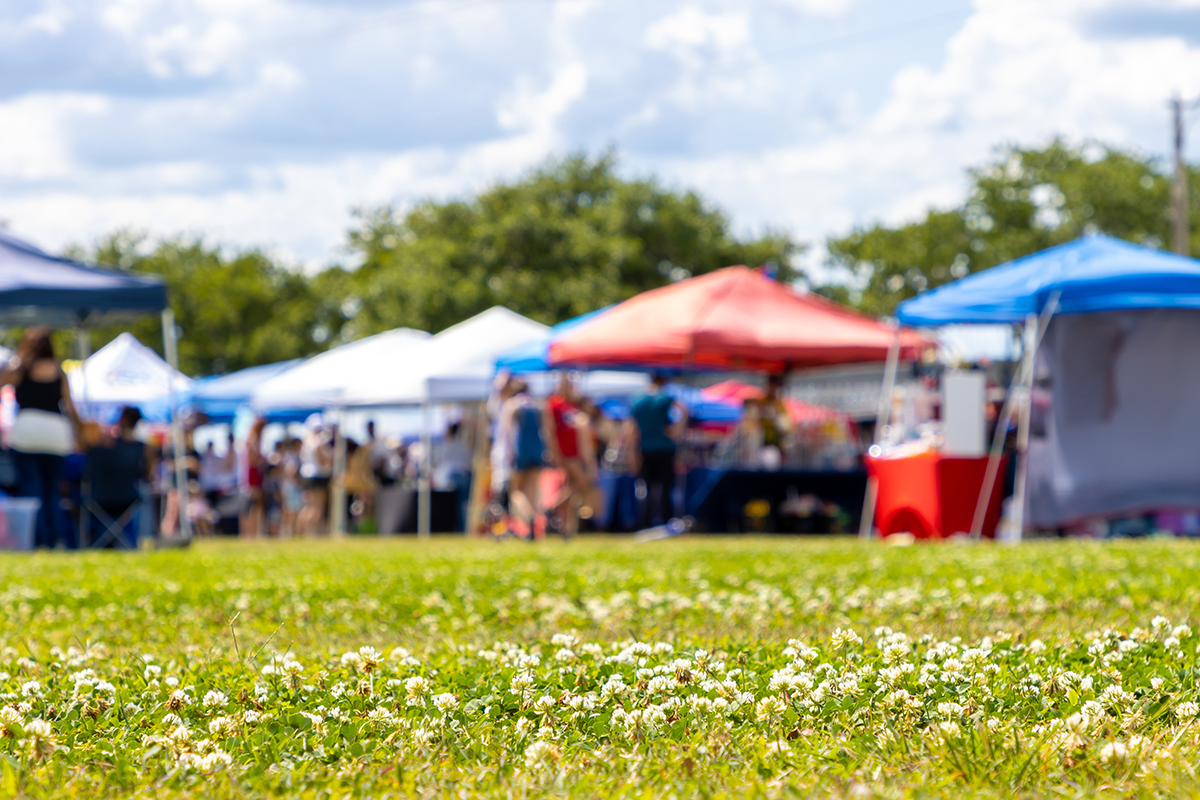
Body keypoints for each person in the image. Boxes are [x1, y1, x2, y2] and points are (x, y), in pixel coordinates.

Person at [0, 327, 81, 549]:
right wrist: (80, 433)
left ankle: (37, 540)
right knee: (52, 490)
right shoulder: (58, 371)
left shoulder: (20, 368)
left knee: (31, 488)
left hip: (26, 434)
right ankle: (56, 539)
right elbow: (71, 408)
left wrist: (19, 356)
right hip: (55, 435)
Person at [83, 406, 149, 548]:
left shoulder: (102, 446)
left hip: (98, 498)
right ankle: (128, 543)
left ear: (123, 419)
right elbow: (148, 476)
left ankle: (94, 543)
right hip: (129, 499)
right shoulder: (143, 449)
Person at [627, 373, 687, 529]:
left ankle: (645, 522)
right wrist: (677, 429)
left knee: (645, 488)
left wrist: (632, 454)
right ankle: (667, 521)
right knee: (666, 488)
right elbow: (684, 411)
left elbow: (631, 429)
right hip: (665, 448)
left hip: (645, 448)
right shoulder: (666, 398)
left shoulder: (638, 400)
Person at [544, 373, 597, 537]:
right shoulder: (554, 404)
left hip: (576, 452)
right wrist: (553, 451)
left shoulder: (572, 406)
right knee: (582, 482)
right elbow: (550, 430)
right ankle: (550, 508)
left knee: (571, 488)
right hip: (565, 452)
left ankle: (567, 528)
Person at [499, 381, 545, 540]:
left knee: (516, 492)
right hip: (538, 451)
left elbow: (506, 433)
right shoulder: (538, 406)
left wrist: (506, 455)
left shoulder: (512, 405)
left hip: (520, 452)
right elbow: (546, 431)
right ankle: (531, 530)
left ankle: (530, 518)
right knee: (531, 491)